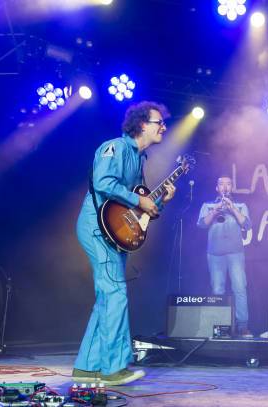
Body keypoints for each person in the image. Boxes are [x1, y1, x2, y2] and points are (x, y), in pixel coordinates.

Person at [73, 101, 176, 385]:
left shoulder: (140, 160)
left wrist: (160, 202)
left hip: (113, 232)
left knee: (107, 297)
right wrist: (137, 199)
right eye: (159, 122)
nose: (164, 127)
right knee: (115, 293)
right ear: (142, 124)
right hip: (96, 227)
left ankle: (87, 366)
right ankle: (113, 369)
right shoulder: (115, 148)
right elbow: (103, 182)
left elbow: (137, 207)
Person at [197, 176, 252, 338]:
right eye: (221, 183)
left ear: (232, 187)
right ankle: (220, 327)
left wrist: (232, 208)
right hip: (215, 254)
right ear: (217, 188)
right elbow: (201, 224)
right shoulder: (208, 206)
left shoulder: (241, 206)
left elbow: (247, 225)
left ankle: (242, 327)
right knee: (217, 290)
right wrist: (216, 210)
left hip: (236, 253)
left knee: (240, 289)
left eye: (228, 184)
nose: (225, 187)